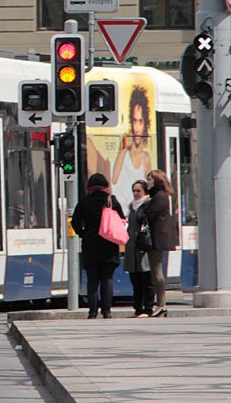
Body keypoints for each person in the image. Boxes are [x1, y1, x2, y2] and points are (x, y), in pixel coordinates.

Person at [71, 173, 125, 319]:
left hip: (91, 244)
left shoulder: (84, 201)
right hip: (109, 244)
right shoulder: (111, 201)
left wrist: (83, 233)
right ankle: (107, 312)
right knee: (107, 279)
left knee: (92, 280)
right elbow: (122, 220)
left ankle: (92, 312)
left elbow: (75, 222)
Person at [111, 86, 153, 208]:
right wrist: (123, 149)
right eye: (135, 121)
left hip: (138, 208)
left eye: (141, 121)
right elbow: (114, 180)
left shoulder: (146, 157)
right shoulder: (124, 152)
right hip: (122, 210)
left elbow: (148, 187)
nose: (138, 128)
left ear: (145, 123)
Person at [144, 169, 177, 317]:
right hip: (158, 237)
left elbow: (149, 215)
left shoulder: (160, 197)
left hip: (158, 238)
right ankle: (160, 303)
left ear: (157, 181)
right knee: (154, 270)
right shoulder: (157, 196)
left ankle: (161, 304)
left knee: (157, 271)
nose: (147, 182)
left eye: (150, 179)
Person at [125, 179, 154, 318]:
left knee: (146, 277)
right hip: (132, 246)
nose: (136, 193)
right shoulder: (131, 206)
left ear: (145, 191)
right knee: (135, 278)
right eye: (134, 191)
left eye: (138, 191)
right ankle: (137, 308)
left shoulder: (148, 204)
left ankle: (148, 308)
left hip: (143, 245)